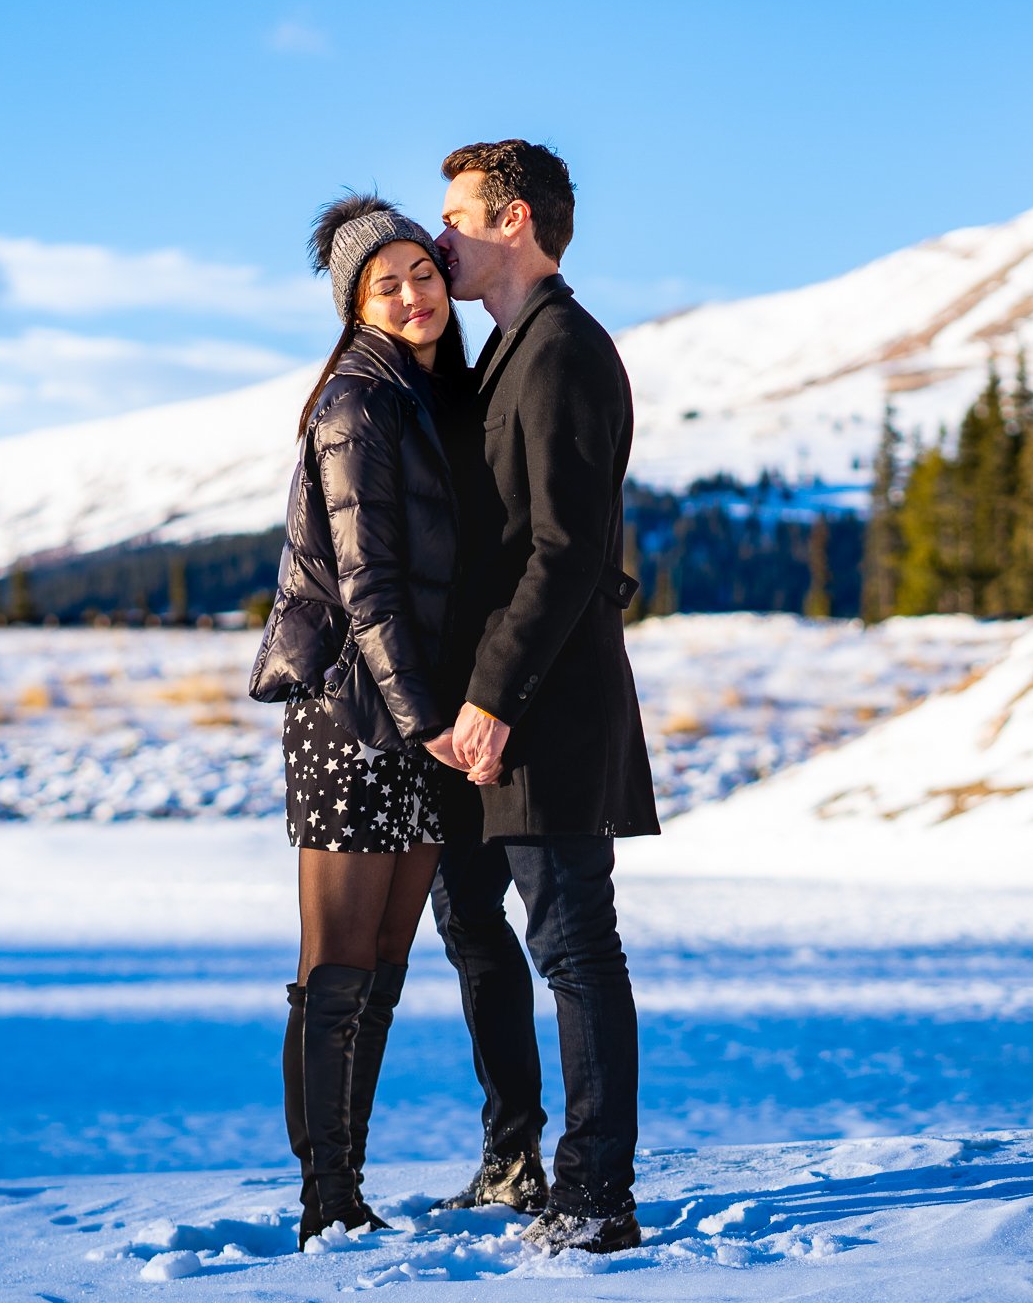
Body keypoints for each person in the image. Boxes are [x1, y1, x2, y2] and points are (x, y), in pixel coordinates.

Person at [421, 140, 658, 1254]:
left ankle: (596, 1195)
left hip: (544, 712)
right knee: (475, 926)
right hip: (487, 711)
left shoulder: (562, 349)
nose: (441, 239)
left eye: (458, 217)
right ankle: (511, 1160)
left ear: (514, 220)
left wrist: (498, 696)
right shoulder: (504, 348)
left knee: (572, 946)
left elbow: (566, 551)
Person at [247, 193, 473, 1248]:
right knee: (338, 961)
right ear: (357, 304)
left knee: (385, 956)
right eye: (388, 283)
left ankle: (348, 1184)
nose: (415, 292)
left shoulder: (429, 397)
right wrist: (429, 715)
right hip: (351, 709)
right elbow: (367, 580)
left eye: (422, 271)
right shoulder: (356, 403)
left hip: (414, 710)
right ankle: (322, 1194)